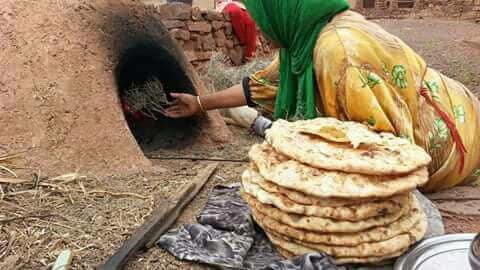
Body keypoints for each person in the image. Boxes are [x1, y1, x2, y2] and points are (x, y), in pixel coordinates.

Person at [165, 0, 480, 192]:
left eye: (261, 16)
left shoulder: (339, 52)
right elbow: (258, 87)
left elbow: (384, 154)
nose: (258, 28)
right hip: (452, 108)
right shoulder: (303, 41)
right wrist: (201, 103)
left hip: (452, 139)